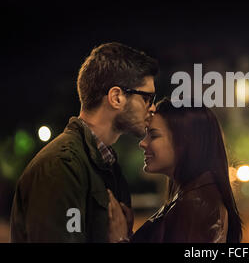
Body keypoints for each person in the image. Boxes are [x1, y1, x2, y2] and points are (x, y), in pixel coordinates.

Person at [10, 42, 159, 242]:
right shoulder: (62, 166)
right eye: (147, 98)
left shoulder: (107, 166)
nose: (152, 108)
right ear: (116, 97)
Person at [108, 98, 243, 243]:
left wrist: (119, 240)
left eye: (154, 135)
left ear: (185, 142)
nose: (142, 142)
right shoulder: (194, 197)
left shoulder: (195, 206)